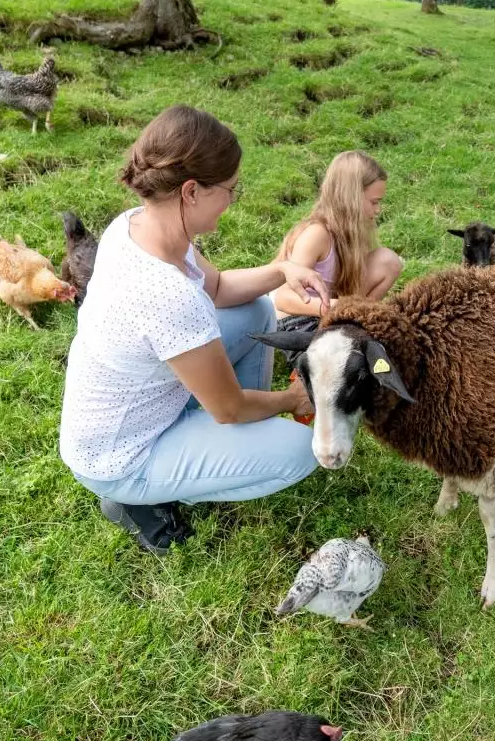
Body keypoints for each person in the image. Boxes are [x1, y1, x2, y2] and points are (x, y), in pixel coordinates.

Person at [59, 105, 328, 555]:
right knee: (302, 450)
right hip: (119, 457)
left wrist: (283, 269)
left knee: (258, 311)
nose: (231, 200)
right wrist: (294, 400)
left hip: (130, 409)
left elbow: (220, 287)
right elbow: (229, 407)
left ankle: (212, 450)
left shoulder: (133, 225)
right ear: (190, 191)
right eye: (229, 190)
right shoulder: (168, 297)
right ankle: (137, 498)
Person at [272, 151, 403, 348]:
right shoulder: (317, 234)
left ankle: (357, 326)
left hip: (328, 313)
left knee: (389, 261)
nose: (378, 210)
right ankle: (347, 329)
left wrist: (345, 309)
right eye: (374, 202)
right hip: (297, 320)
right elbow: (283, 298)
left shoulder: (353, 234)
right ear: (351, 197)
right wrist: (338, 308)